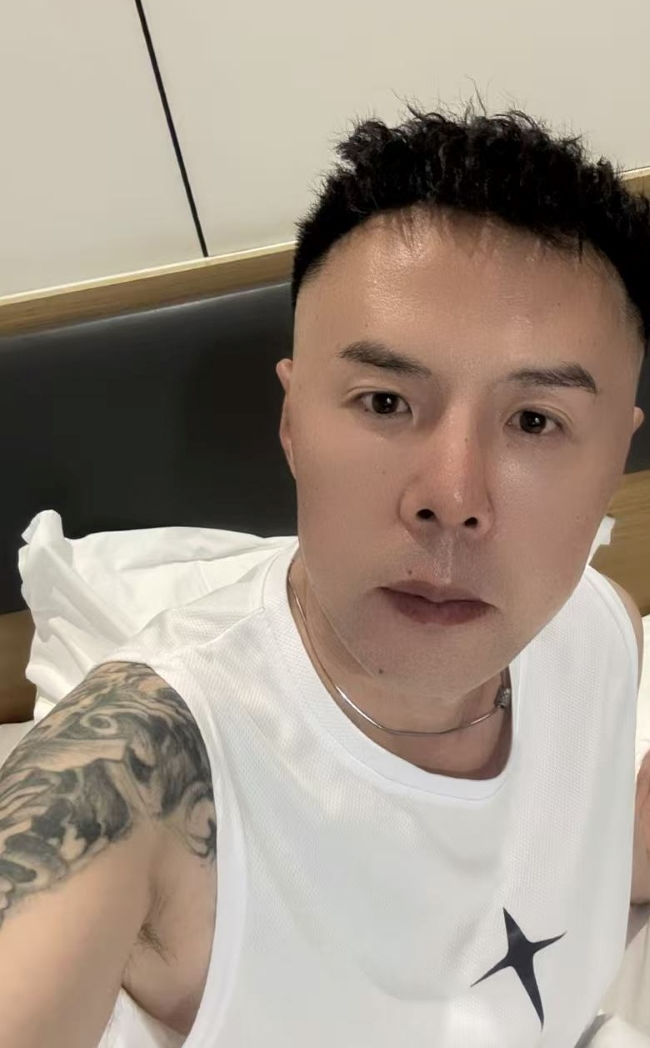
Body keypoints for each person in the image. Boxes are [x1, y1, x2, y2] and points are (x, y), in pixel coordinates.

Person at [1, 101, 649, 1048]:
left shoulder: (600, 630)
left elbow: (550, 855)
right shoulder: (140, 774)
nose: (453, 497)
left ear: (614, 458)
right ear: (293, 421)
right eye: (385, 401)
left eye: (536, 421)